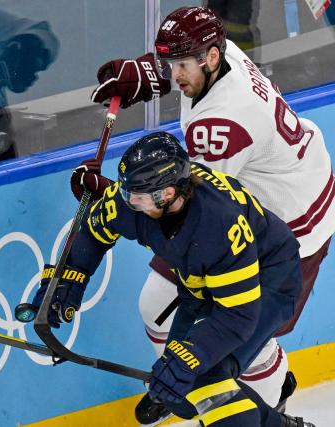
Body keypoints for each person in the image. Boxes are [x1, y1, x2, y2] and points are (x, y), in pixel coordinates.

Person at [74, 6, 334, 424]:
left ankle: (270, 396)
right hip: (260, 194)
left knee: (238, 343)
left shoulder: (221, 126)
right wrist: (148, 74)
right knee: (155, 303)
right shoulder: (220, 51)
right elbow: (187, 70)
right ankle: (179, 384)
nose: (174, 74)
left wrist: (116, 196)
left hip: (286, 226)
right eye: (170, 64)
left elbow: (189, 207)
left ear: (210, 59)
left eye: (180, 66)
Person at [29, 131, 315, 427]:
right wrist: (69, 281)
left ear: (168, 194)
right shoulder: (137, 202)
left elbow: (237, 315)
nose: (130, 202)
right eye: (129, 193)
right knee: (179, 395)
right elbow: (94, 230)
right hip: (202, 286)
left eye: (138, 197)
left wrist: (193, 356)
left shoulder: (218, 224)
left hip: (266, 277)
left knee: (205, 375)